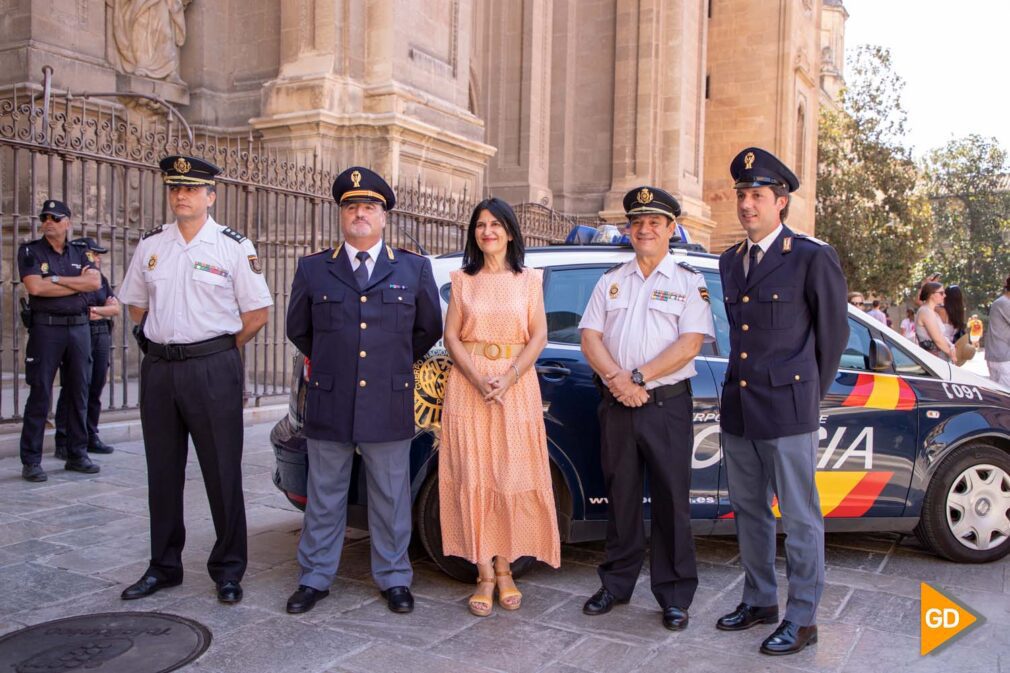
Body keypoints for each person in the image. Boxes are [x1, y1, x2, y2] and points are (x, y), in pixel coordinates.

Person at [285, 166, 442, 615]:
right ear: (341, 214)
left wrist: (391, 361)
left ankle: (393, 577)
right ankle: (314, 577)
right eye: (352, 206)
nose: (360, 213)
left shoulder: (412, 268)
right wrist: (337, 359)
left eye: (369, 206)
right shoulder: (314, 269)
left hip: (388, 400)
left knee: (391, 495)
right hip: (331, 399)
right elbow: (300, 328)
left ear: (384, 216)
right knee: (325, 495)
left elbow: (427, 328)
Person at [117, 155, 272, 604]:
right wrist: (158, 339)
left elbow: (257, 313)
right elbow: (136, 304)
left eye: (190, 188)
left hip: (213, 367)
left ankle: (228, 569)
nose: (181, 195)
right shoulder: (151, 245)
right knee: (162, 471)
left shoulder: (232, 247)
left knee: (222, 470)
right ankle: (163, 566)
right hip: (161, 368)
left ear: (210, 195)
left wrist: (217, 349)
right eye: (174, 188)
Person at [715, 148, 848, 656]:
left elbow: (831, 340)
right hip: (741, 407)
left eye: (757, 196)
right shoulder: (730, 261)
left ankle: (803, 615)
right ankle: (760, 600)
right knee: (749, 510)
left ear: (781, 201)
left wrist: (806, 398)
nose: (747, 205)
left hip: (789, 411)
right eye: (742, 195)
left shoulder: (812, 257)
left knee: (799, 517)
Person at [578, 186, 715, 632]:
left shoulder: (688, 281)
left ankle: (674, 595)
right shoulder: (609, 280)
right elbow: (590, 338)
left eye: (655, 222)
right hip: (617, 405)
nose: (645, 229)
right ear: (628, 229)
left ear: (672, 229)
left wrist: (637, 378)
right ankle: (615, 585)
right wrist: (618, 381)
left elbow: (690, 344)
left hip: (666, 406)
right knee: (620, 499)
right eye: (637, 222)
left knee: (672, 500)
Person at [439, 197, 560, 617]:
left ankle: (506, 569)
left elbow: (539, 336)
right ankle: (483, 573)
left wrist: (507, 377)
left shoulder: (529, 280)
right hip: (468, 387)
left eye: (495, 224)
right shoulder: (462, 280)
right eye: (480, 225)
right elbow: (452, 336)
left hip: (515, 387)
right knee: (474, 474)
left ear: (510, 231)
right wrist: (476, 376)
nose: (487, 231)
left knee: (509, 475)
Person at [17, 199, 103, 482]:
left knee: (79, 390)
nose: (49, 222)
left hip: (79, 329)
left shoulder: (81, 250)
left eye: (55, 218)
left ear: (67, 222)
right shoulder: (30, 250)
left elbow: (94, 283)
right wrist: (69, 280)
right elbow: (34, 287)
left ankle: (76, 453)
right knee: (40, 392)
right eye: (45, 217)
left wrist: (53, 279)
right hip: (46, 329)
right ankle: (31, 460)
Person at [54, 237, 119, 459]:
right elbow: (81, 310)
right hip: (79, 333)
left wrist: (98, 311)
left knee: (96, 386)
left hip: (101, 333)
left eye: (99, 255)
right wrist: (101, 309)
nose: (97, 259)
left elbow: (116, 309)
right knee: (74, 387)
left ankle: (91, 434)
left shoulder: (101, 279)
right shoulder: (74, 279)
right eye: (94, 254)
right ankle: (64, 438)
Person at [915, 282, 956, 361]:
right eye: (941, 293)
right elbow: (938, 339)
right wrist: (952, 355)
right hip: (933, 361)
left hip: (938, 359)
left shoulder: (931, 312)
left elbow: (941, 337)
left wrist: (951, 347)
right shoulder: (926, 312)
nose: (944, 295)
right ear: (931, 295)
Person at [986, 275, 1010, 387]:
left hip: (1000, 356)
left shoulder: (1001, 302)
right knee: (1005, 396)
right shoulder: (1005, 303)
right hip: (1002, 358)